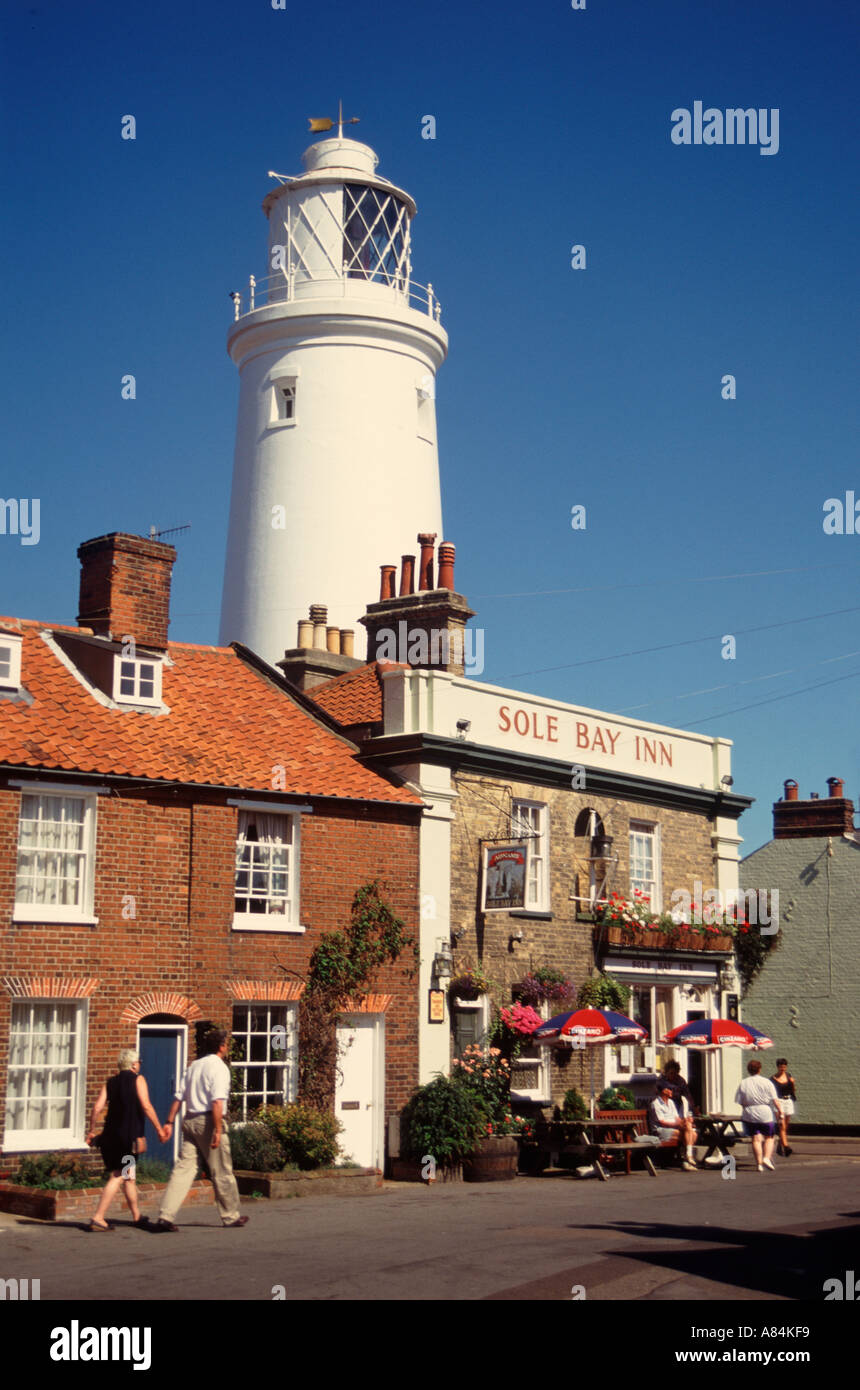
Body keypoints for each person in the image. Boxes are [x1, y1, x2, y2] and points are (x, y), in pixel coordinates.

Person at [151, 1027, 248, 1232]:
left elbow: (179, 1096)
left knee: (183, 1170)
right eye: (226, 1044)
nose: (227, 1047)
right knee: (221, 1169)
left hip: (189, 1120)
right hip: (208, 1121)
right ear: (221, 1047)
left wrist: (169, 1122)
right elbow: (217, 1103)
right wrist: (218, 1129)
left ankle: (165, 1216)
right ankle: (230, 1215)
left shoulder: (194, 1066)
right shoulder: (220, 1068)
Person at [86, 1048, 168, 1232]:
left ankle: (137, 1216)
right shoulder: (138, 1079)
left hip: (109, 1139)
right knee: (118, 1176)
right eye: (139, 1061)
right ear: (133, 1064)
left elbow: (97, 1107)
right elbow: (146, 1106)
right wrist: (159, 1129)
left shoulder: (110, 1083)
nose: (139, 1064)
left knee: (129, 1176)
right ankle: (98, 1217)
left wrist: (91, 1131)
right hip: (127, 1141)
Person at [735, 1058, 783, 1172]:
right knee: (769, 1137)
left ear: (748, 1070)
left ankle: (759, 1164)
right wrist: (780, 1111)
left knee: (755, 1139)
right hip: (764, 1111)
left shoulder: (743, 1082)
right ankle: (766, 1157)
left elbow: (740, 1101)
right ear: (759, 1069)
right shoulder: (767, 1082)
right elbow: (775, 1100)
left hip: (749, 1112)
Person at [649, 1081, 699, 1170]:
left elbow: (676, 1118)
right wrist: (678, 1124)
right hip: (660, 1131)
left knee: (690, 1129)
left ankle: (687, 1158)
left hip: (672, 1128)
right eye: (671, 1089)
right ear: (664, 1091)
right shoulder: (655, 1104)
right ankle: (687, 1159)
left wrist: (684, 1121)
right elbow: (662, 1122)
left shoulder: (671, 1102)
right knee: (691, 1134)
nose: (672, 1091)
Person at [771, 1059, 797, 1156]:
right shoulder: (773, 1079)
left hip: (788, 1101)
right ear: (777, 1067)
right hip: (779, 1102)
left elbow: (793, 1090)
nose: (783, 1069)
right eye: (781, 1067)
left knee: (785, 1126)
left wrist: (792, 1083)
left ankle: (779, 1145)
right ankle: (786, 1147)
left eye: (784, 1067)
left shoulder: (789, 1076)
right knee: (781, 1125)